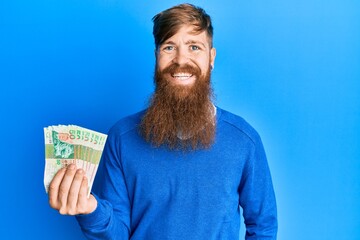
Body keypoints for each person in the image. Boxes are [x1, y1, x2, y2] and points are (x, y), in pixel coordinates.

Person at [48, 3, 278, 239]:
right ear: (157, 56)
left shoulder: (244, 141)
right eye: (169, 47)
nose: (181, 60)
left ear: (211, 57)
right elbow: (117, 234)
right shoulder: (122, 138)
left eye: (194, 47)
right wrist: (90, 210)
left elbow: (263, 227)